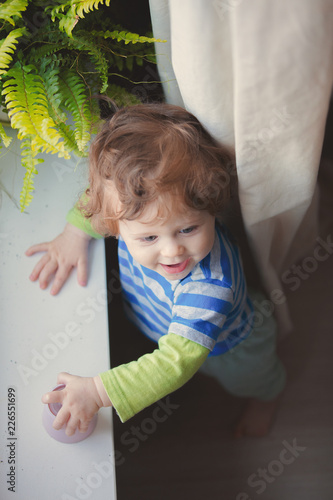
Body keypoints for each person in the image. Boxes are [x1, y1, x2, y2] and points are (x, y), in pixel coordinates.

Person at [26, 103, 286, 438]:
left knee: (253, 380)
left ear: (210, 205)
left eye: (188, 229)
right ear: (115, 223)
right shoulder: (130, 207)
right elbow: (97, 200)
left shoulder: (209, 290)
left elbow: (174, 364)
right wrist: (74, 234)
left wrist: (97, 391)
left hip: (232, 346)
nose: (172, 250)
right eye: (149, 236)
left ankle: (269, 397)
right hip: (161, 317)